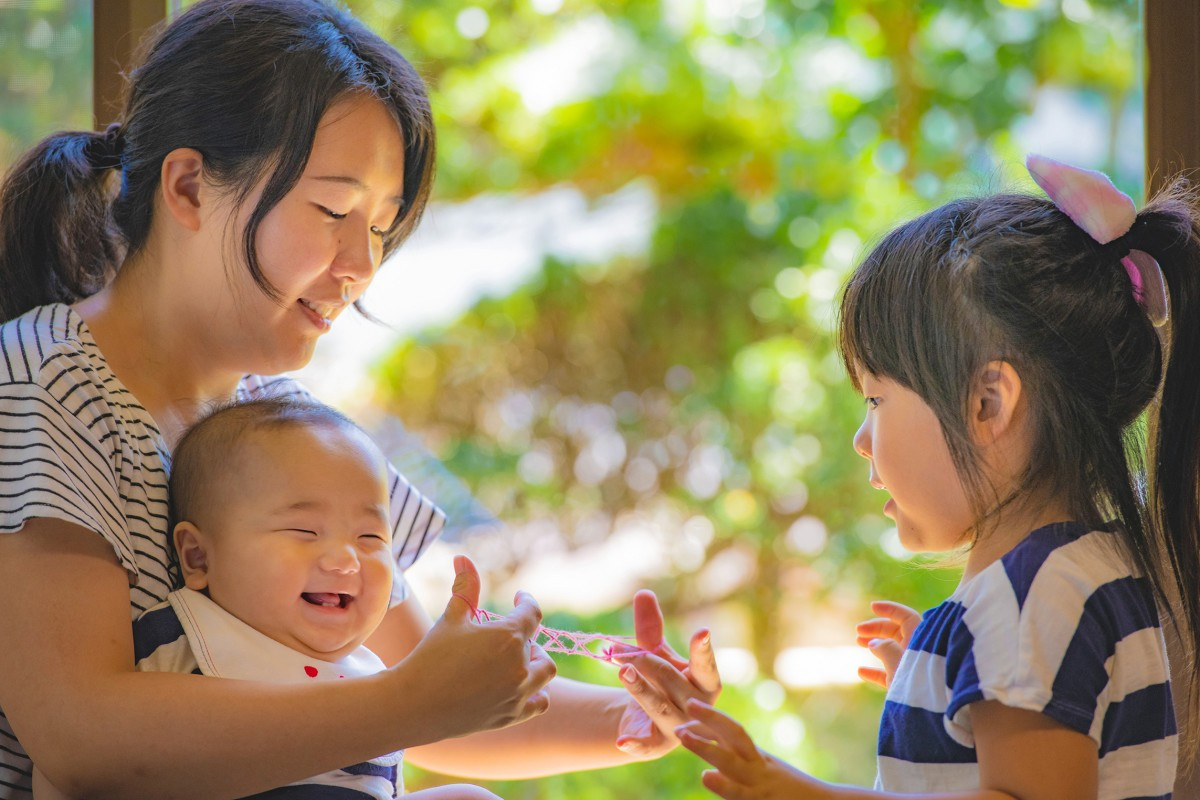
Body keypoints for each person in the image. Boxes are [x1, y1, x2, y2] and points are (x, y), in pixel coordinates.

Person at [0, 1, 720, 797]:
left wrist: (640, 722)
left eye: (380, 227)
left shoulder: (279, 417)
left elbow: (422, 689)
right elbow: (77, 733)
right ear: (190, 186)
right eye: (334, 211)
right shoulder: (44, 384)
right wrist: (402, 704)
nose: (360, 264)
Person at [675, 155, 1200, 800]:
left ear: (987, 403)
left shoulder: (1027, 599)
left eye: (876, 400)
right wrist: (948, 683)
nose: (862, 441)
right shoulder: (1093, 567)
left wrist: (797, 792)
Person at [34, 398, 502, 800]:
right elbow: (80, 766)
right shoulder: (177, 645)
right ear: (197, 557)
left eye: (370, 536)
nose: (345, 560)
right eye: (304, 530)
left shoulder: (375, 676)